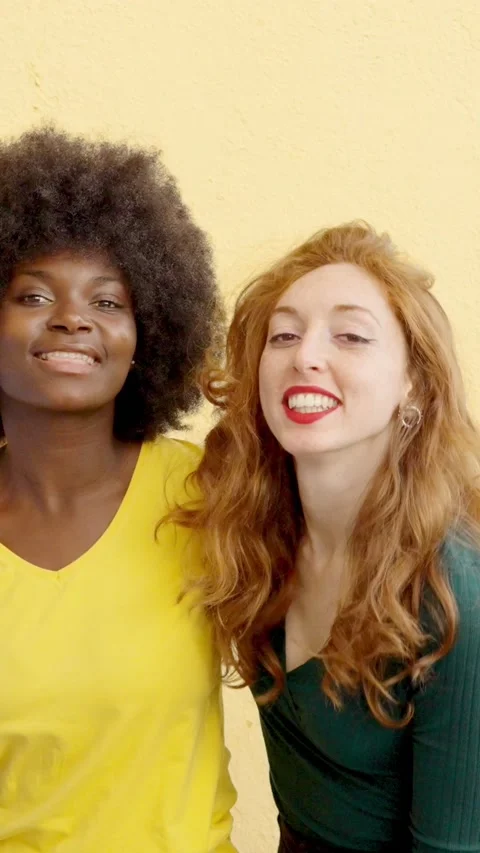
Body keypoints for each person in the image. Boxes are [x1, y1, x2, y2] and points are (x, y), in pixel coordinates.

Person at [173, 222, 480, 852]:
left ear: (412, 384)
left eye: (351, 335)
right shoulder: (256, 532)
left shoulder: (455, 594)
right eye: (284, 334)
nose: (305, 355)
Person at [0, 127, 236, 852]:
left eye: (108, 301)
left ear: (147, 335)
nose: (72, 318)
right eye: (34, 293)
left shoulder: (209, 493)